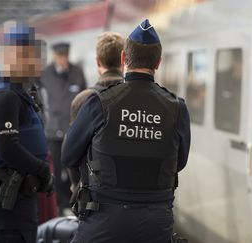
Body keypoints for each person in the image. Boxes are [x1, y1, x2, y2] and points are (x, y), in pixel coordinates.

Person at [61, 19, 191, 242]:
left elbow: (68, 156)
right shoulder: (177, 108)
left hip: (104, 220)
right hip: (156, 222)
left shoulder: (98, 102)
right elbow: (180, 162)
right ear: (158, 62)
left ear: (123, 59)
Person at [0, 21, 53, 243]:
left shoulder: (16, 92)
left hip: (20, 194)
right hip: (7, 198)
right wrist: (43, 170)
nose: (36, 61)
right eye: (27, 55)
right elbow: (8, 148)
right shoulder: (4, 96)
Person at [67, 32, 124, 201]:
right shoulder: (138, 98)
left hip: (94, 193)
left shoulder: (83, 100)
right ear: (124, 60)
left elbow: (71, 154)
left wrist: (76, 184)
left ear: (98, 61)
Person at [38, 41, 86, 214]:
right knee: (55, 171)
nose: (63, 60)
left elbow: (85, 99)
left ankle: (72, 203)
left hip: (72, 132)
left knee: (74, 170)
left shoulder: (77, 73)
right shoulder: (45, 75)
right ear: (54, 56)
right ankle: (59, 204)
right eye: (60, 56)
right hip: (52, 132)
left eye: (65, 56)